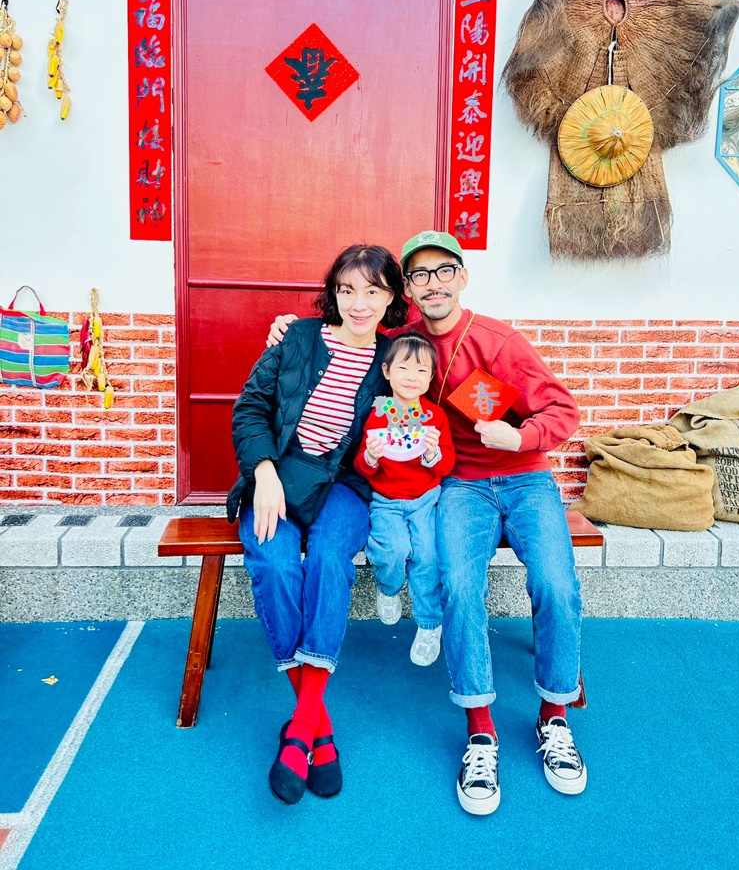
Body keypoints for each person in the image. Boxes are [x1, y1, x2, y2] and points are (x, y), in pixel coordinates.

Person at [267, 230, 586, 815]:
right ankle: (481, 731)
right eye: (420, 275)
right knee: (458, 583)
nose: (433, 284)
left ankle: (555, 715)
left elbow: (563, 410)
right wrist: (290, 330)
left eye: (444, 271)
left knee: (557, 584)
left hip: (524, 476)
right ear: (407, 291)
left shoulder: (499, 341)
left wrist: (520, 436)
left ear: (462, 277)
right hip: (457, 485)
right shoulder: (402, 345)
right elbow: (346, 338)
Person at [227, 243, 409, 806]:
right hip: (278, 476)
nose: (359, 304)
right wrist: (263, 471)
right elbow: (249, 408)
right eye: (347, 289)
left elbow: (413, 418)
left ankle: (302, 724)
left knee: (331, 558)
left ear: (391, 297)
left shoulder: (393, 359)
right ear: (333, 291)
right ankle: (317, 726)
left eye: (373, 291)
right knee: (275, 562)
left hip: (345, 485)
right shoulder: (297, 338)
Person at [353, 332, 455, 667]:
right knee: (393, 550)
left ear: (431, 377)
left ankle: (429, 624)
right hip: (385, 499)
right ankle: (388, 587)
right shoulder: (377, 414)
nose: (412, 377)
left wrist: (433, 452)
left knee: (427, 556)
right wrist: (370, 455)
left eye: (421, 370)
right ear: (386, 371)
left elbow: (446, 466)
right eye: (404, 368)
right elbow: (361, 466)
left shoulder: (434, 417)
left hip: (426, 499)